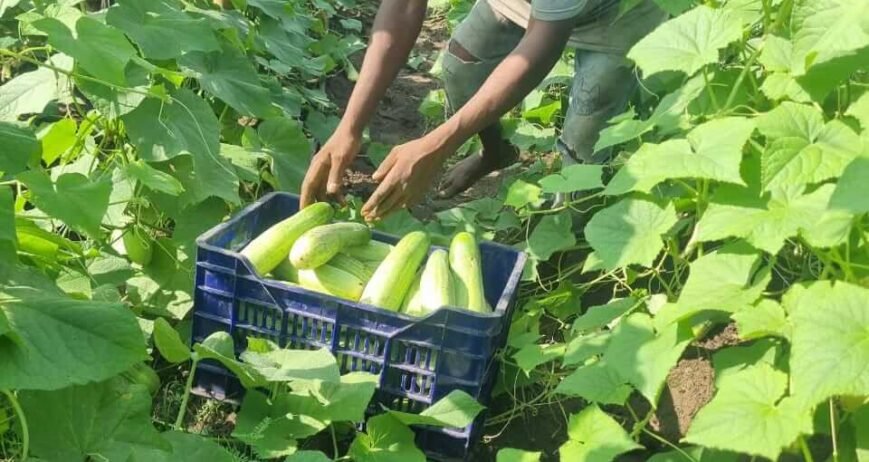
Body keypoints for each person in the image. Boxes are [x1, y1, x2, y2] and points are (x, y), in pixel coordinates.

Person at [300, 0, 666, 220]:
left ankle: (569, 226)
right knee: (461, 69)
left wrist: (438, 145)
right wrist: (349, 127)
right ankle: (495, 153)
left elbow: (540, 48)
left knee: (585, 142)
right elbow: (404, 6)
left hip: (619, 15)